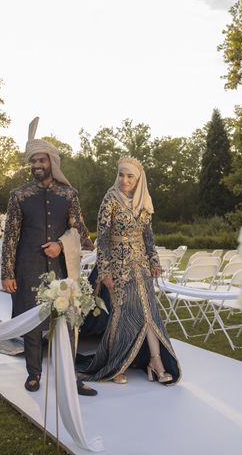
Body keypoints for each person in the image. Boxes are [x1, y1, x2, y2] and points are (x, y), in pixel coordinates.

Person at [1, 117, 95, 395]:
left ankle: (71, 377)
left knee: (66, 321)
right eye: (33, 161)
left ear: (52, 162)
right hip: (27, 266)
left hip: (61, 268)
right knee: (31, 322)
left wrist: (61, 245)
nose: (36, 166)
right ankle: (34, 373)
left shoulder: (69, 194)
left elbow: (79, 230)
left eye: (41, 160)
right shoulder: (19, 195)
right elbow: (11, 236)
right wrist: (7, 272)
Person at [81, 157, 180, 385]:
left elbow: (148, 237)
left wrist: (154, 261)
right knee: (119, 314)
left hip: (141, 266)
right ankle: (116, 366)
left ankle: (156, 362)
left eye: (130, 176)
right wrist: (105, 270)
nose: (124, 180)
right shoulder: (110, 199)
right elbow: (103, 238)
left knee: (149, 313)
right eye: (121, 175)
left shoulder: (143, 201)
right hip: (117, 266)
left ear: (138, 180)